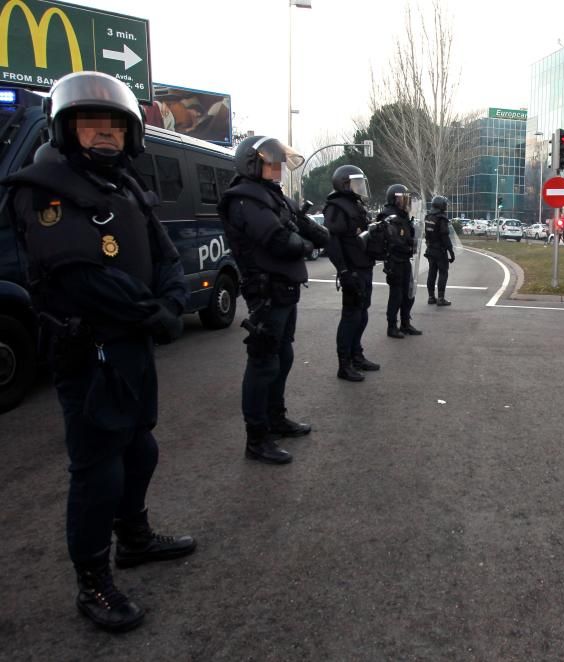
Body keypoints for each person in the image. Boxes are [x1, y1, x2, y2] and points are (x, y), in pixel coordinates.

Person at [0, 71, 196, 632]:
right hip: (87, 353)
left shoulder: (126, 184)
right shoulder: (44, 187)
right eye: (91, 125)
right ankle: (93, 583)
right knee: (98, 473)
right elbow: (77, 276)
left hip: (131, 350)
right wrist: (153, 311)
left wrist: (173, 296)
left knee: (141, 452)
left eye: (114, 125)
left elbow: (166, 256)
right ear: (66, 130)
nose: (104, 136)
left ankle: (133, 539)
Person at [219, 135, 329, 465]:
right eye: (271, 162)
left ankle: (275, 418)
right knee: (263, 363)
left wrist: (328, 240)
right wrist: (309, 247)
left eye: (279, 162)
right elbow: (279, 240)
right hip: (265, 293)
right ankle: (257, 437)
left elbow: (304, 224)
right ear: (252, 164)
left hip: (284, 289)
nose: (278, 168)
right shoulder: (244, 200)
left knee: (283, 355)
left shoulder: (272, 196)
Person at [323, 164, 381, 382]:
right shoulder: (336, 207)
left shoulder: (355, 205)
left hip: (364, 266)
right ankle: (344, 364)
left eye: (360, 183)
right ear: (343, 184)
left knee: (362, 314)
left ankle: (357, 355)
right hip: (352, 270)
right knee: (351, 316)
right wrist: (344, 271)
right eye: (355, 184)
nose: (359, 188)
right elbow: (332, 241)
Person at [379, 184, 422, 338]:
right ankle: (392, 326)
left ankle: (405, 323)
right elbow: (394, 240)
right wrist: (409, 245)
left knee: (409, 293)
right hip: (394, 260)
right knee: (396, 295)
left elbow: (409, 236)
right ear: (393, 199)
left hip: (405, 260)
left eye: (406, 199)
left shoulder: (403, 216)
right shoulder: (388, 216)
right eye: (402, 199)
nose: (405, 202)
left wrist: (416, 237)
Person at [424, 194, 456, 305]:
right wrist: (451, 252)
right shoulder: (442, 218)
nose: (446, 206)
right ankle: (441, 298)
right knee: (443, 273)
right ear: (441, 205)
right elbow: (445, 236)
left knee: (431, 273)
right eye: (445, 204)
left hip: (430, 249)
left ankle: (431, 297)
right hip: (440, 250)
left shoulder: (428, 217)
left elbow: (426, 235)